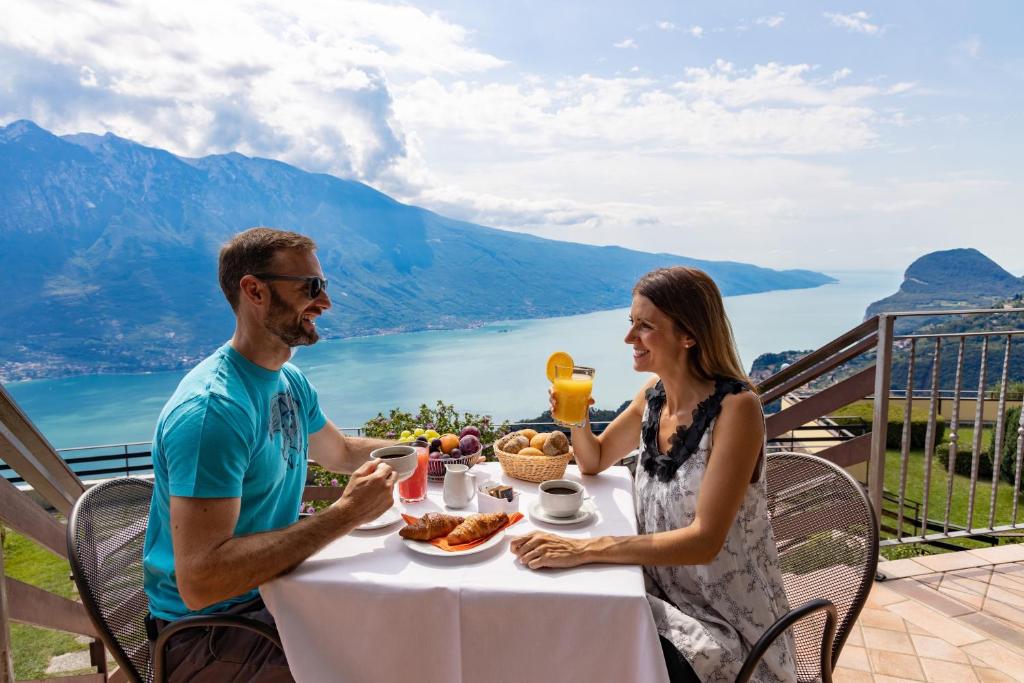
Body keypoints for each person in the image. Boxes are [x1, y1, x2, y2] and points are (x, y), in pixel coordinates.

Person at [510, 266, 798, 683]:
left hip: (723, 626)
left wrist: (587, 549)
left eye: (645, 326)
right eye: (631, 323)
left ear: (689, 335)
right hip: (655, 594)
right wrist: (574, 419)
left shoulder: (737, 410)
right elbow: (595, 459)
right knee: (558, 623)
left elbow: (704, 541)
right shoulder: (653, 395)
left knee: (586, 649)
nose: (629, 338)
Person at [143, 227, 400, 682]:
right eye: (311, 288)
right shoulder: (213, 412)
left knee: (404, 628)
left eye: (324, 287)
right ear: (254, 290)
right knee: (387, 663)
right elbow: (201, 582)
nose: (325, 303)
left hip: (271, 595)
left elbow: (340, 453)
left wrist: (429, 454)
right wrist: (346, 514)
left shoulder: (288, 381)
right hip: (209, 635)